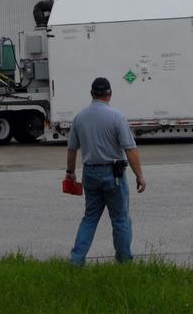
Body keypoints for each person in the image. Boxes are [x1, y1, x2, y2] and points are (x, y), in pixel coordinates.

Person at [65, 76, 146, 265]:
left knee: (90, 218)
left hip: (90, 173)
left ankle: (76, 260)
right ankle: (124, 260)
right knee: (120, 219)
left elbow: (71, 149)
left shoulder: (80, 118)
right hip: (114, 174)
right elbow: (130, 149)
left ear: (91, 94)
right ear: (109, 94)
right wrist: (139, 176)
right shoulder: (117, 117)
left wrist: (70, 172)